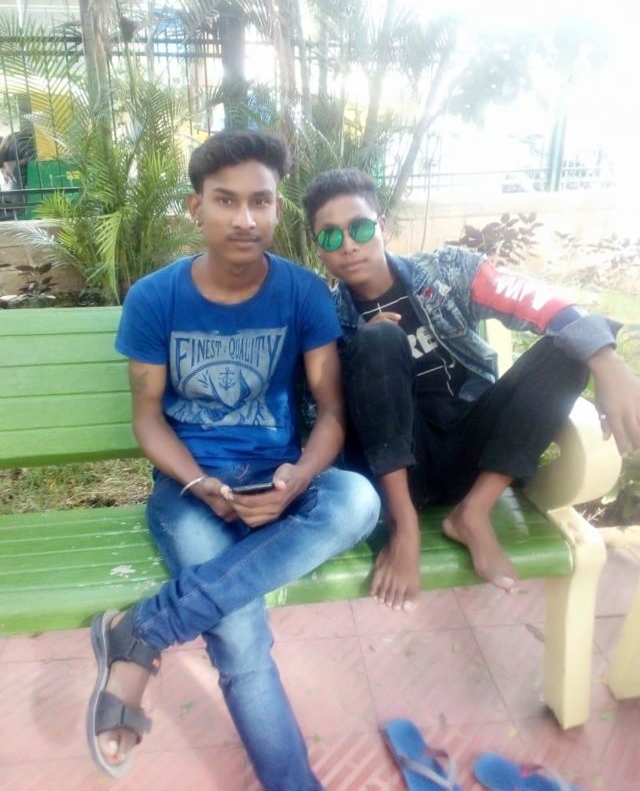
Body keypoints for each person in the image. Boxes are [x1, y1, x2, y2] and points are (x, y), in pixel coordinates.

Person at [86, 133, 380, 789]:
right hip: (190, 493)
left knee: (358, 500)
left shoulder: (303, 293)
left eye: (260, 201)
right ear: (196, 207)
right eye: (226, 200)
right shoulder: (156, 298)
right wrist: (199, 482)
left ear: (277, 208)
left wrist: (297, 480)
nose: (245, 218)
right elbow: (147, 416)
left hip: (280, 482)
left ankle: (143, 629)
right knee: (240, 631)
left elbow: (332, 412)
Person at [302, 167, 640, 613]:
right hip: (399, 471)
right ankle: (406, 528)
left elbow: (543, 305)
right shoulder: (324, 315)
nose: (347, 244)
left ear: (382, 226)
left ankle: (473, 512)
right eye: (330, 236)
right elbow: (323, 409)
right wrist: (359, 347)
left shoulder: (448, 272)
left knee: (569, 348)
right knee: (378, 338)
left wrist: (607, 361)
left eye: (360, 228)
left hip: (473, 451)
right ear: (318, 247)